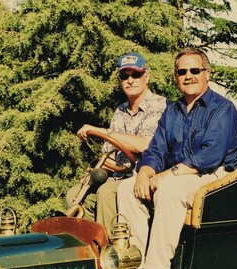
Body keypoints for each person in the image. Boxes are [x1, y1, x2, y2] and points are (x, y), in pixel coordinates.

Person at [117, 47, 237, 269]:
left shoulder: (222, 108)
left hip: (214, 175)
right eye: (182, 71)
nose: (188, 76)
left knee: (170, 189)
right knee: (126, 188)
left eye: (195, 70)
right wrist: (144, 173)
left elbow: (210, 155)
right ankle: (135, 265)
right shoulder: (172, 110)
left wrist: (168, 174)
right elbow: (156, 149)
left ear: (207, 73)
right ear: (175, 76)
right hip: (180, 173)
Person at [67, 52, 167, 226]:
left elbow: (146, 144)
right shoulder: (120, 110)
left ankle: (112, 249)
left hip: (146, 175)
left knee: (106, 192)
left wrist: (103, 131)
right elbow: (110, 154)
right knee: (75, 194)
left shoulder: (160, 105)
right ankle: (88, 244)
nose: (130, 80)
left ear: (147, 76)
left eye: (136, 74)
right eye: (124, 76)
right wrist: (95, 173)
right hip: (118, 176)